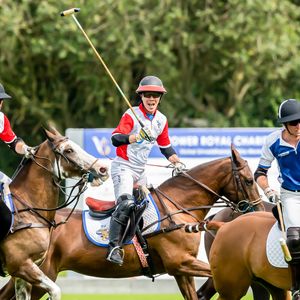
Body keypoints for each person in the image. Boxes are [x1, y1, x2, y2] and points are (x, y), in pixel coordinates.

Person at [107, 75, 184, 265]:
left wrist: (177, 162)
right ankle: (114, 248)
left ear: (160, 98)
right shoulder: (131, 114)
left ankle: (141, 246)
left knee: (149, 207)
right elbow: (115, 138)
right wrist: (135, 137)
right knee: (125, 204)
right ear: (141, 96)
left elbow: (165, 146)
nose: (151, 99)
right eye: (147, 95)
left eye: (155, 96)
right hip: (123, 167)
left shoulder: (161, 120)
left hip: (141, 171)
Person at [254, 99, 300, 300]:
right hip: (291, 195)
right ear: (284, 124)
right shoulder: (273, 141)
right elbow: (260, 172)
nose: (298, 126)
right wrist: (268, 190)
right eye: (293, 123)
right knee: (295, 239)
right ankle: (297, 287)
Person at [0, 83, 34, 191]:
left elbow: (14, 143)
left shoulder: (1, 119)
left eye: (0, 101)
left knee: (11, 190)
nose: (0, 104)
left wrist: (26, 149)